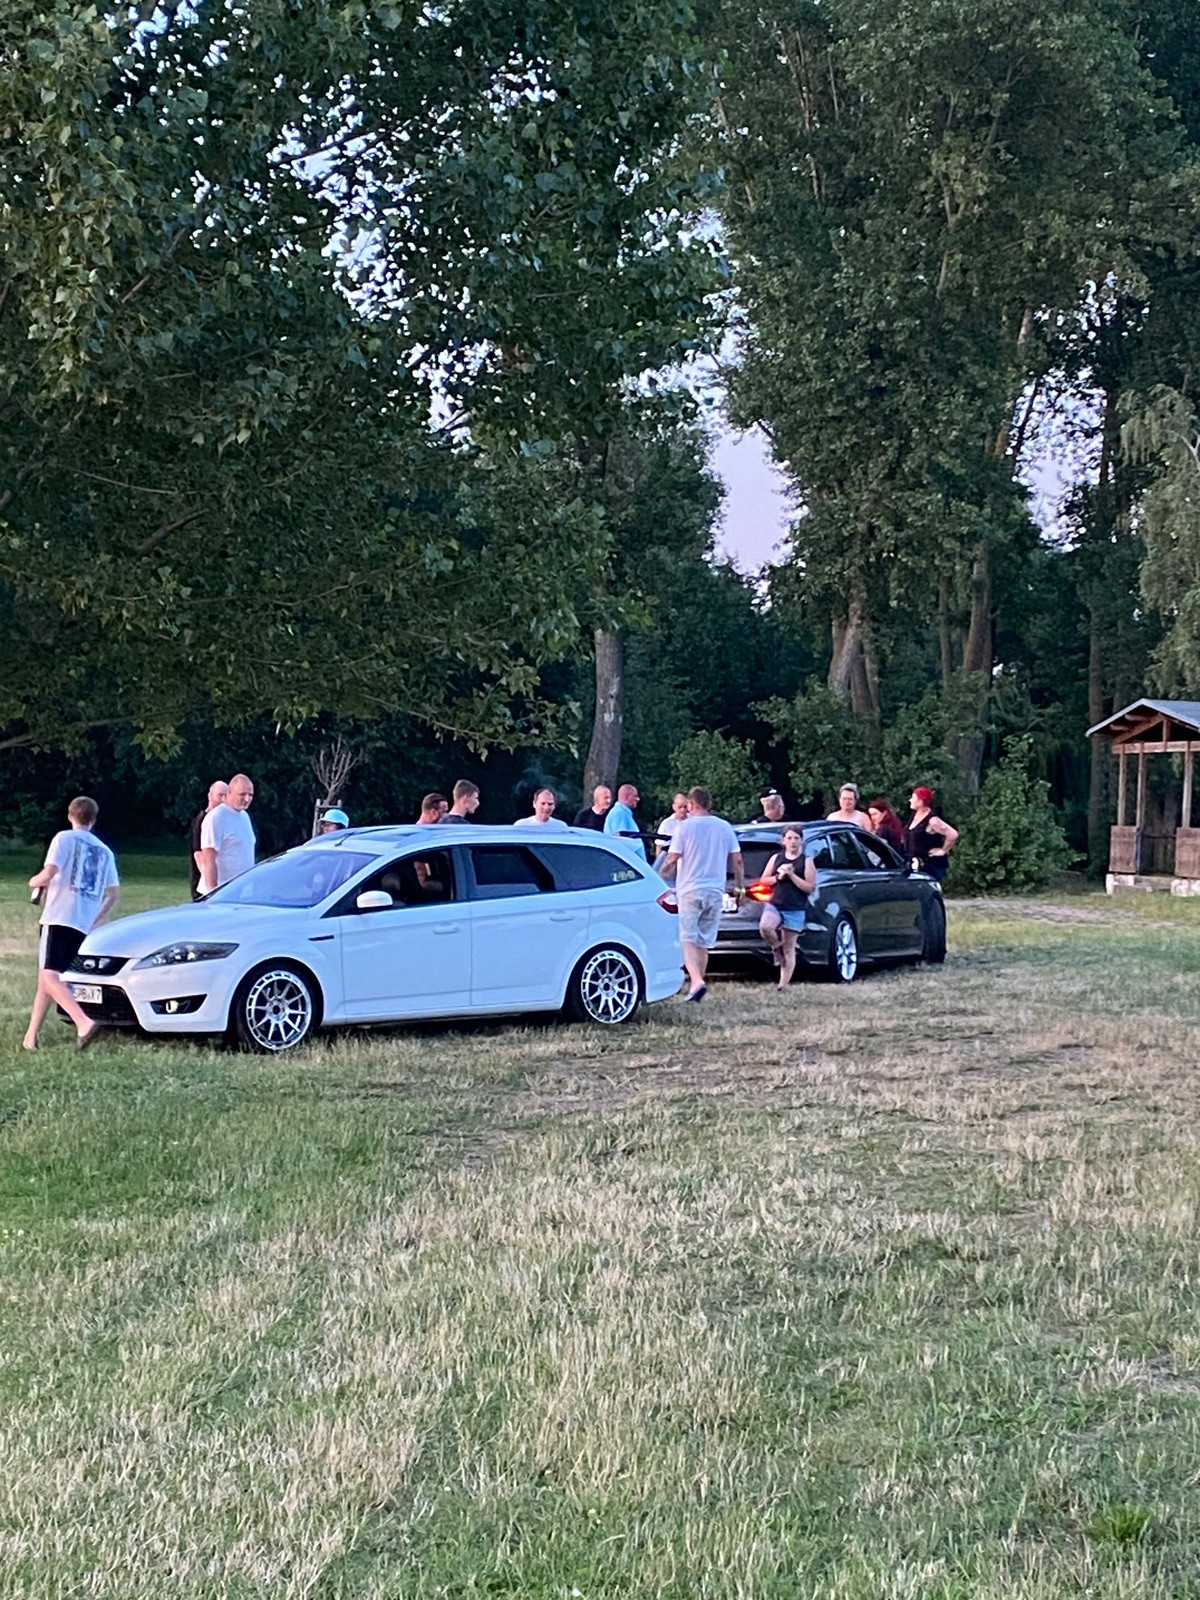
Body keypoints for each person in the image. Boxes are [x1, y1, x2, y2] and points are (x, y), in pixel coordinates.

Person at [23, 796, 120, 1052]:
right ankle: (30, 1037)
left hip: (58, 916)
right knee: (48, 977)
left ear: (70, 816)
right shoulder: (105, 851)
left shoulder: (63, 839)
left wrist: (33, 882)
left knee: (49, 976)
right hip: (81, 923)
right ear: (93, 819)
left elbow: (49, 872)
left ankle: (83, 1022)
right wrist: (95, 918)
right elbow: (113, 894)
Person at [661, 787, 744, 1003]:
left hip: (690, 888)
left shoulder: (684, 827)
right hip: (715, 890)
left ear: (692, 804)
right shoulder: (724, 827)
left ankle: (696, 981)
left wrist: (659, 878)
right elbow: (737, 860)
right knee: (704, 940)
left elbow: (672, 859)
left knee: (687, 938)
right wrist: (740, 887)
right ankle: (696, 987)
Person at [758, 825, 817, 990]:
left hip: (795, 907)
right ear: (783, 841)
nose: (793, 842)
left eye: (796, 838)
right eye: (789, 838)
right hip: (775, 903)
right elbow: (763, 880)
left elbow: (809, 887)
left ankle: (782, 985)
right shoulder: (776, 858)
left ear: (801, 841)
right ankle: (776, 947)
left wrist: (792, 875)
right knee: (765, 927)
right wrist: (778, 877)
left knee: (789, 947)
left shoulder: (807, 861)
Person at [198, 772, 256, 891]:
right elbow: (208, 857)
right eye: (242, 794)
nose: (247, 799)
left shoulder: (244, 816)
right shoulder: (216, 817)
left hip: (241, 890)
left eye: (250, 795)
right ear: (229, 792)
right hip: (222, 892)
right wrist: (213, 891)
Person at [905, 786, 959, 880]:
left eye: (913, 798)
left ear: (920, 801)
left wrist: (943, 850)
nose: (910, 800)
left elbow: (953, 834)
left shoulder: (933, 821)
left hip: (931, 867)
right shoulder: (914, 815)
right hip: (916, 864)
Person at [188, 779, 228, 900]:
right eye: (220, 795)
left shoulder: (223, 820)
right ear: (210, 796)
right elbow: (199, 855)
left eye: (226, 796)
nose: (224, 800)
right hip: (204, 887)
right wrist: (210, 887)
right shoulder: (202, 820)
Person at [603, 782, 646, 859]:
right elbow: (620, 842)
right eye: (635, 796)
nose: (638, 799)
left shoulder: (624, 813)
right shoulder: (619, 814)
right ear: (626, 796)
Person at [655, 792, 689, 857]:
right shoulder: (666, 824)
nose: (682, 810)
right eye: (680, 807)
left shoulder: (693, 821)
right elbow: (659, 845)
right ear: (674, 807)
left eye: (685, 807)